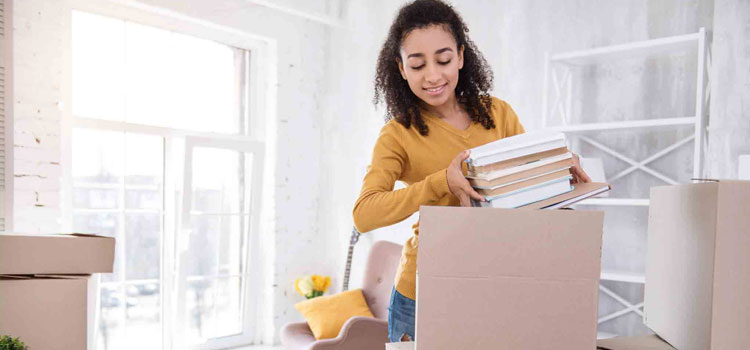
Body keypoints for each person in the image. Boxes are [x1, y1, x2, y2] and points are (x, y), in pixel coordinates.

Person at [352, 0, 591, 343]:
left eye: (444, 59)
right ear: (401, 68)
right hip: (422, 289)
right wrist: (441, 182)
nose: (433, 75)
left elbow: (527, 193)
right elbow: (364, 215)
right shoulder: (397, 135)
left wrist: (559, 169)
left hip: (496, 279)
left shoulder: (499, 114)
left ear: (461, 57)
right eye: (417, 65)